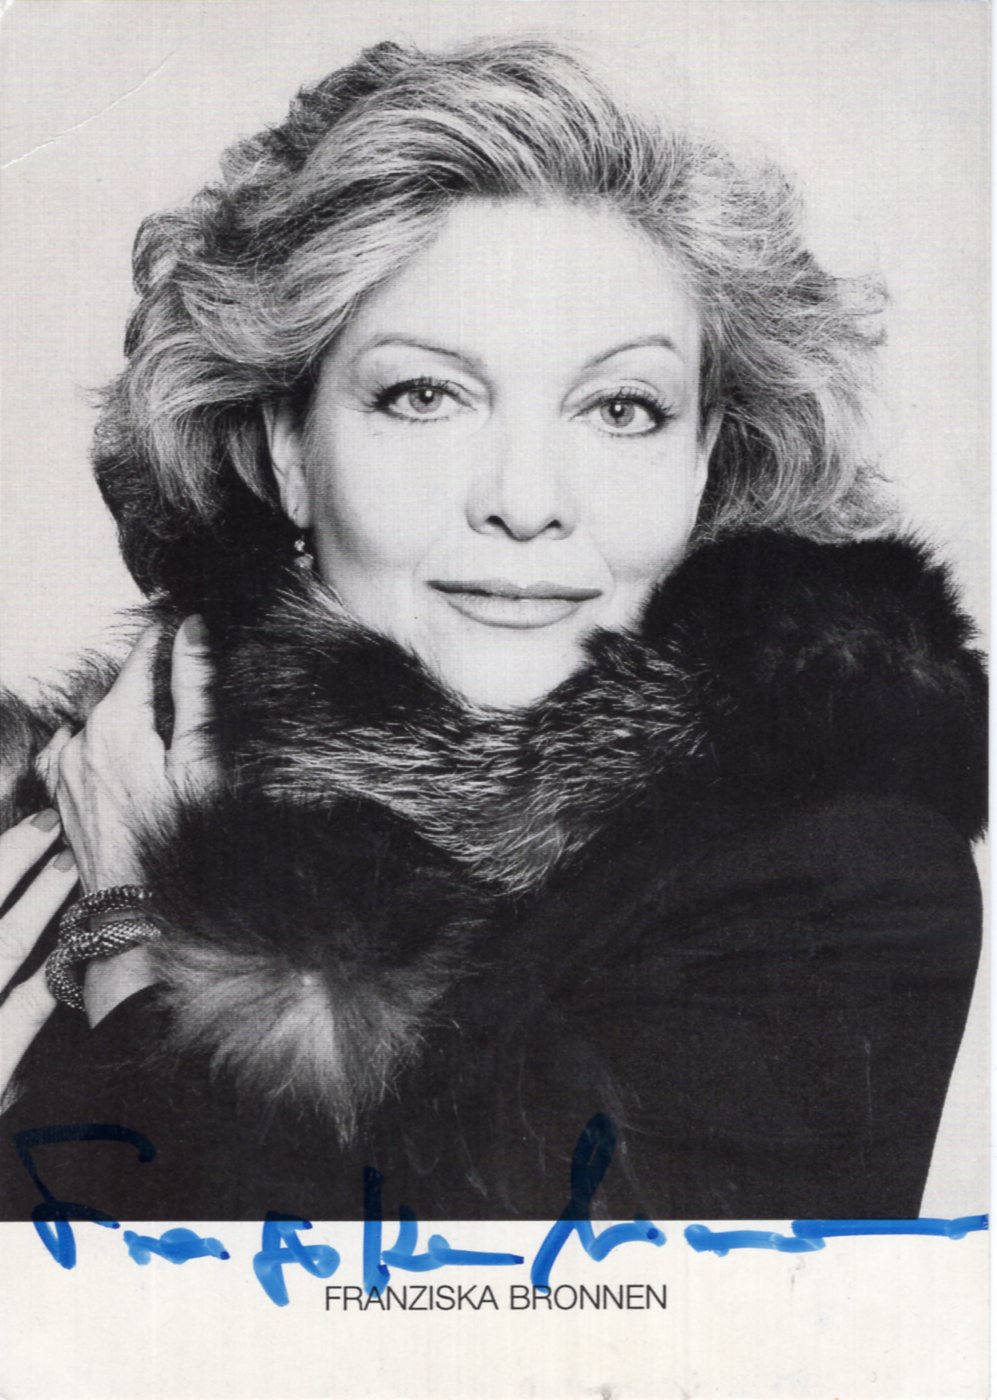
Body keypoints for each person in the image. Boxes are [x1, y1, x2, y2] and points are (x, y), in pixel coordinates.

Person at [0, 37, 985, 1223]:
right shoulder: (60, 800)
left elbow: (406, 1311)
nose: (525, 499)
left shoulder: (839, 872)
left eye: (620, 407)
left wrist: (135, 923)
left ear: (703, 461)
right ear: (287, 452)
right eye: (426, 394)